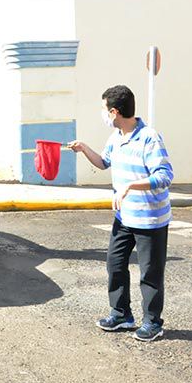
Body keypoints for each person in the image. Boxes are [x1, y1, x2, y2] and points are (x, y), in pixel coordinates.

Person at [70, 85, 174, 342]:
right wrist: (84, 148)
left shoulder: (149, 137)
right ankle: (121, 315)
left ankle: (153, 322)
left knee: (150, 274)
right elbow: (104, 162)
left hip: (150, 219)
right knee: (115, 264)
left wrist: (130, 186)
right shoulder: (116, 137)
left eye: (104, 109)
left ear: (114, 111)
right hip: (124, 217)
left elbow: (164, 176)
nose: (103, 114)